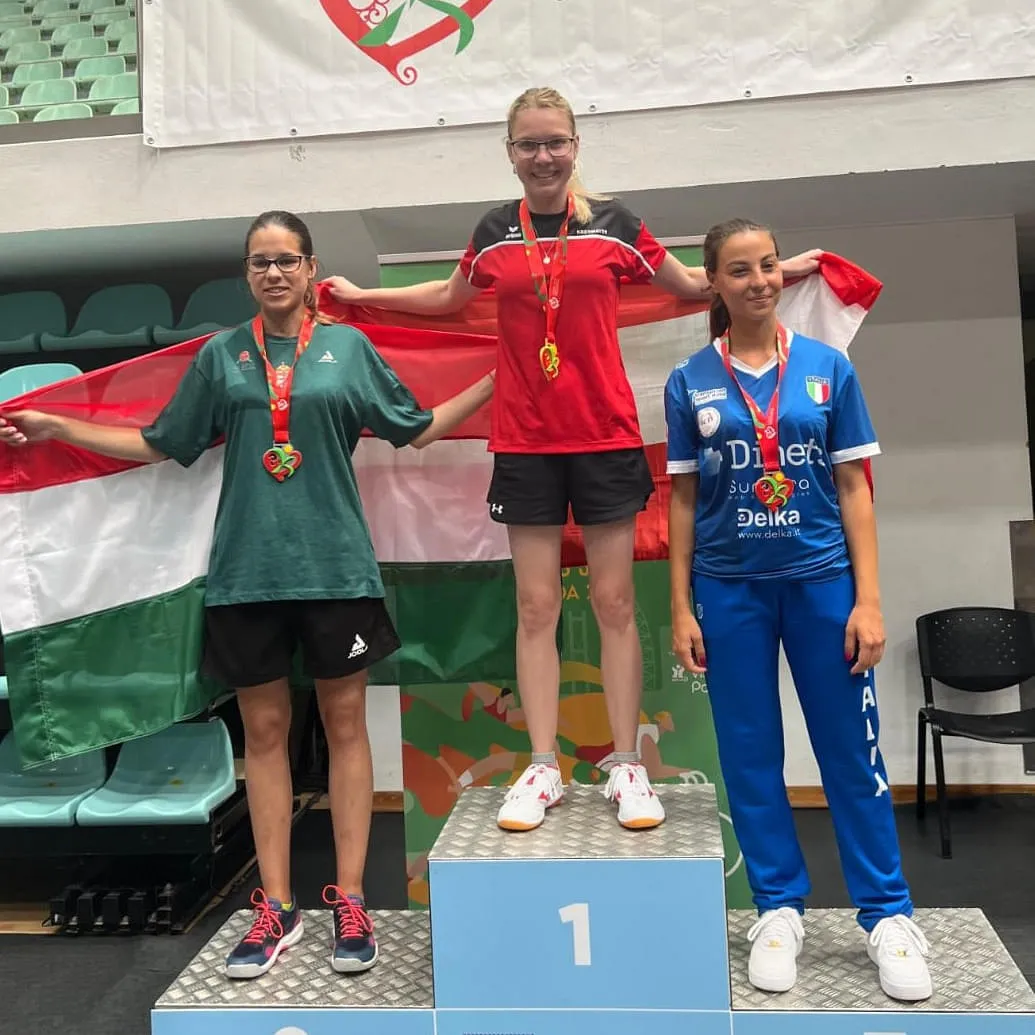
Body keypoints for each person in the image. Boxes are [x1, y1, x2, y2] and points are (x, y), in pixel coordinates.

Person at [0, 210, 495, 980]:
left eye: (286, 259)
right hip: (246, 574)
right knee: (263, 736)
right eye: (260, 261)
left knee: (345, 729)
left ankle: (352, 900)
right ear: (247, 274)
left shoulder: (347, 348)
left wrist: (501, 378)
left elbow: (419, 429)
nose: (273, 273)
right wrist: (57, 426)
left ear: (310, 267)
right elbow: (160, 443)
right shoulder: (221, 355)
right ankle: (277, 906)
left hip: (337, 570)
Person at [326, 86, 822, 834]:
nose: (543, 156)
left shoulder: (615, 225)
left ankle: (625, 764)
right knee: (536, 608)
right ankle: (542, 765)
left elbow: (693, 284)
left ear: (574, 146)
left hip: (604, 436)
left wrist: (789, 271)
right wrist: (365, 294)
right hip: (525, 441)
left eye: (555, 141)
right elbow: (451, 298)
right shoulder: (494, 231)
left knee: (615, 604)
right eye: (528, 144)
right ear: (510, 153)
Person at [664, 218, 931, 1003]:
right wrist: (680, 605)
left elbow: (853, 488)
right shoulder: (688, 380)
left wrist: (868, 600)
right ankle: (777, 909)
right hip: (729, 591)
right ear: (714, 283)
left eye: (769, 265)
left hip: (822, 585)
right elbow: (680, 499)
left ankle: (887, 914)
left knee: (850, 753)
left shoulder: (826, 368)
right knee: (750, 756)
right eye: (739, 269)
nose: (758, 281)